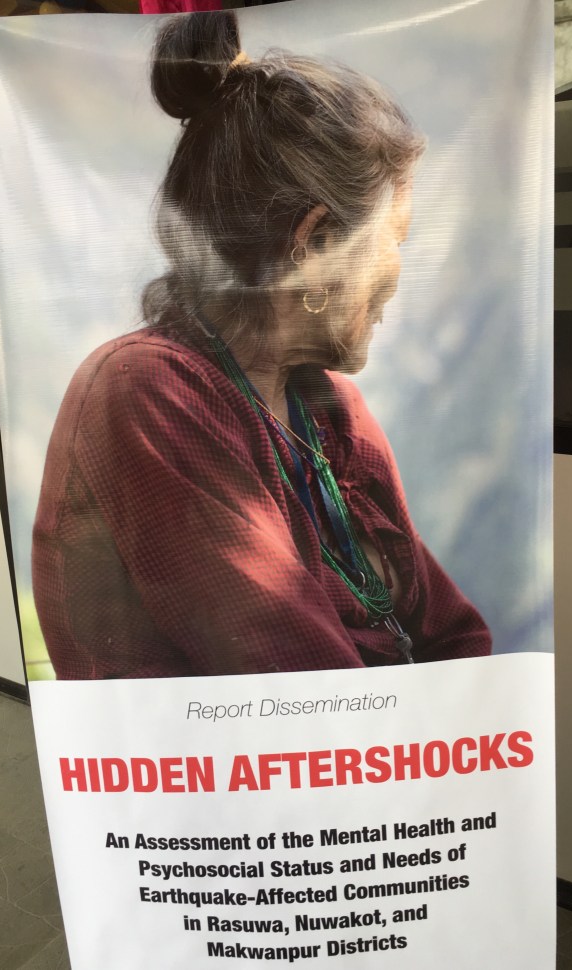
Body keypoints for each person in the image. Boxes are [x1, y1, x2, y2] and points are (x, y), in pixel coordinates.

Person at [32, 11, 491, 680]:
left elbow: (457, 636)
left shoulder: (331, 410)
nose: (399, 272)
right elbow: (298, 679)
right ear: (314, 241)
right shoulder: (144, 392)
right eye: (395, 237)